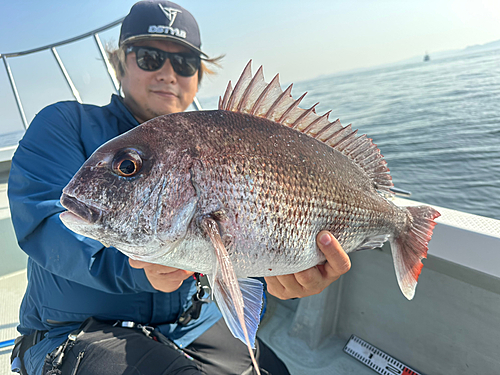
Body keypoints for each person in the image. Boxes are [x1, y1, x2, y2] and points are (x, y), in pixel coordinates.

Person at [8, 1, 351, 374]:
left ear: (198, 76)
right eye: (150, 57)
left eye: (184, 63)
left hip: (189, 325)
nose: (168, 74)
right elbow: (45, 221)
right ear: (121, 62)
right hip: (75, 332)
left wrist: (282, 272)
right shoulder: (65, 124)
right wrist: (139, 269)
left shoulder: (217, 144)